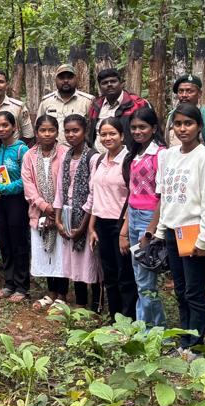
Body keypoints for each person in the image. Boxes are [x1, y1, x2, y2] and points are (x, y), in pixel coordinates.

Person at [151, 104, 205, 352]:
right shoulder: (168, 156)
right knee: (180, 291)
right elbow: (166, 197)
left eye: (188, 123)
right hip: (173, 232)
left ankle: (196, 344)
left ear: (199, 126)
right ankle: (184, 340)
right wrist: (161, 230)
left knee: (194, 292)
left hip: (194, 233)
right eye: (178, 124)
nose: (183, 129)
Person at [120, 108, 167, 325]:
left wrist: (151, 229)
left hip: (149, 218)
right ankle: (146, 327)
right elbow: (132, 194)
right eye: (134, 128)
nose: (138, 131)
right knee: (140, 278)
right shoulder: (135, 154)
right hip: (133, 216)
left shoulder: (160, 154)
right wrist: (125, 228)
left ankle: (154, 331)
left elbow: (163, 196)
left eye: (143, 127)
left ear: (154, 128)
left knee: (146, 280)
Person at [90, 118, 136, 319]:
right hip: (102, 223)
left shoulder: (129, 161)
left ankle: (128, 319)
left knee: (125, 274)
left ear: (122, 136)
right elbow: (95, 195)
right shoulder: (99, 160)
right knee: (109, 273)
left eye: (112, 134)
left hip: (121, 223)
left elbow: (133, 197)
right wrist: (91, 227)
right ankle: (114, 317)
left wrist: (124, 231)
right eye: (103, 134)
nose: (107, 138)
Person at [55, 114, 100, 309]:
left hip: (86, 218)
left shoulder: (93, 157)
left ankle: (96, 304)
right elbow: (60, 190)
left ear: (85, 131)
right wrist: (58, 220)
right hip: (68, 216)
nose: (71, 135)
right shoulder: (66, 156)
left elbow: (94, 193)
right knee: (74, 261)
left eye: (76, 130)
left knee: (90, 260)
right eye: (67, 131)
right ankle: (81, 302)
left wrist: (83, 227)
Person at [22, 114, 64, 309]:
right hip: (39, 212)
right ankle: (50, 292)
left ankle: (62, 294)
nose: (47, 134)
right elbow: (28, 183)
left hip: (60, 213)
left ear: (57, 132)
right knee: (45, 252)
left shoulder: (64, 153)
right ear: (36, 132)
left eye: (51, 130)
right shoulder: (29, 155)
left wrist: (55, 207)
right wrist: (43, 205)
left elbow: (66, 182)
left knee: (60, 254)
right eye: (43, 130)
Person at [0, 111, 29, 301]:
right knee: (4, 242)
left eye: (5, 125)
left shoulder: (22, 150)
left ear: (14, 127)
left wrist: (5, 188)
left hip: (17, 202)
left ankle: (22, 286)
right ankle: (9, 283)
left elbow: (26, 180)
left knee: (18, 242)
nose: (1, 129)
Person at [87, 68, 148, 142]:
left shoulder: (137, 103)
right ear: (100, 87)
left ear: (121, 84)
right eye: (105, 83)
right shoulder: (96, 105)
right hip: (97, 149)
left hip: (129, 148)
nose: (109, 85)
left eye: (113, 81)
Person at [0, 69, 34, 141]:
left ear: (7, 85)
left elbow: (28, 134)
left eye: (1, 82)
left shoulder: (18, 107)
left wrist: (16, 147)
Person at [167, 74, 205, 148]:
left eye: (189, 91)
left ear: (199, 94)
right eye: (181, 91)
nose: (184, 95)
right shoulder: (172, 116)